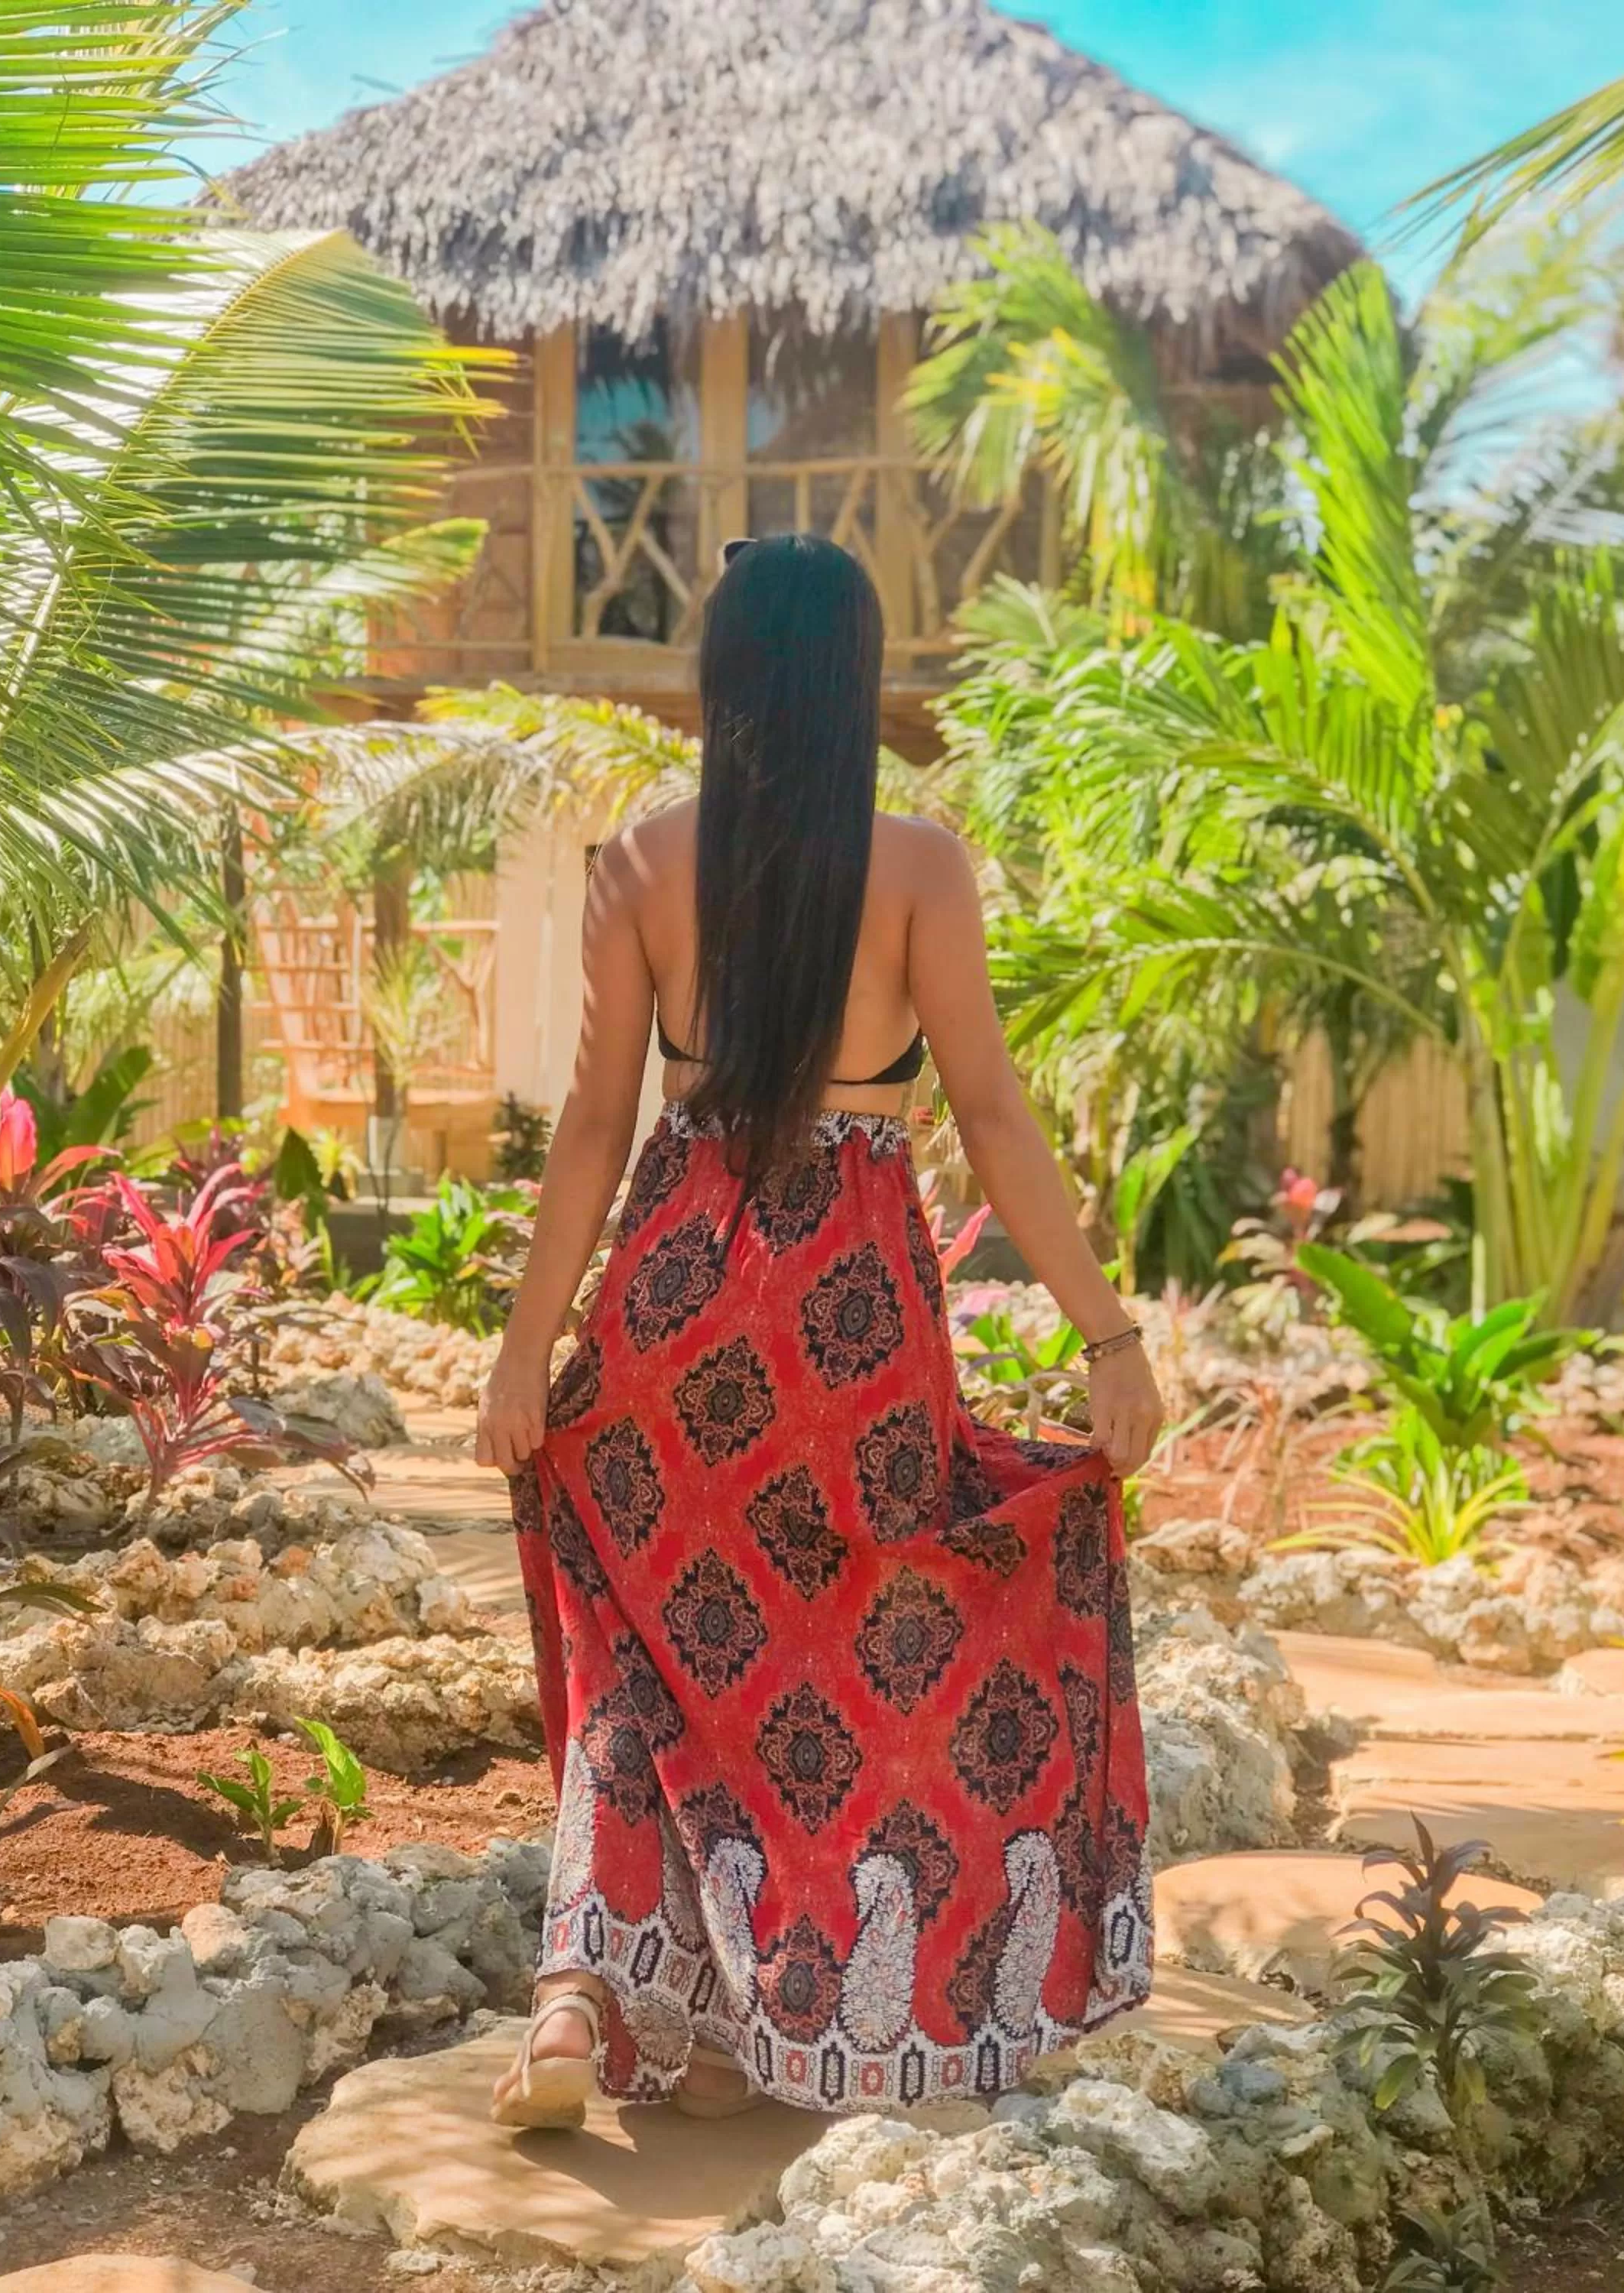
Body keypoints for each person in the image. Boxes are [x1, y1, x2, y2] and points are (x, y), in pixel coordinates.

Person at [477, 533, 1162, 2129]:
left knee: (634, 1638)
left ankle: (580, 2000)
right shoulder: (918, 867)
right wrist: (1106, 1334)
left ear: (721, 681)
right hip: (848, 1316)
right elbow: (987, 1115)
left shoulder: (641, 864)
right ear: (858, 683)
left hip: (673, 1294)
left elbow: (591, 1132)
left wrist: (526, 1355)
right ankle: (839, 1977)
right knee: (857, 1634)